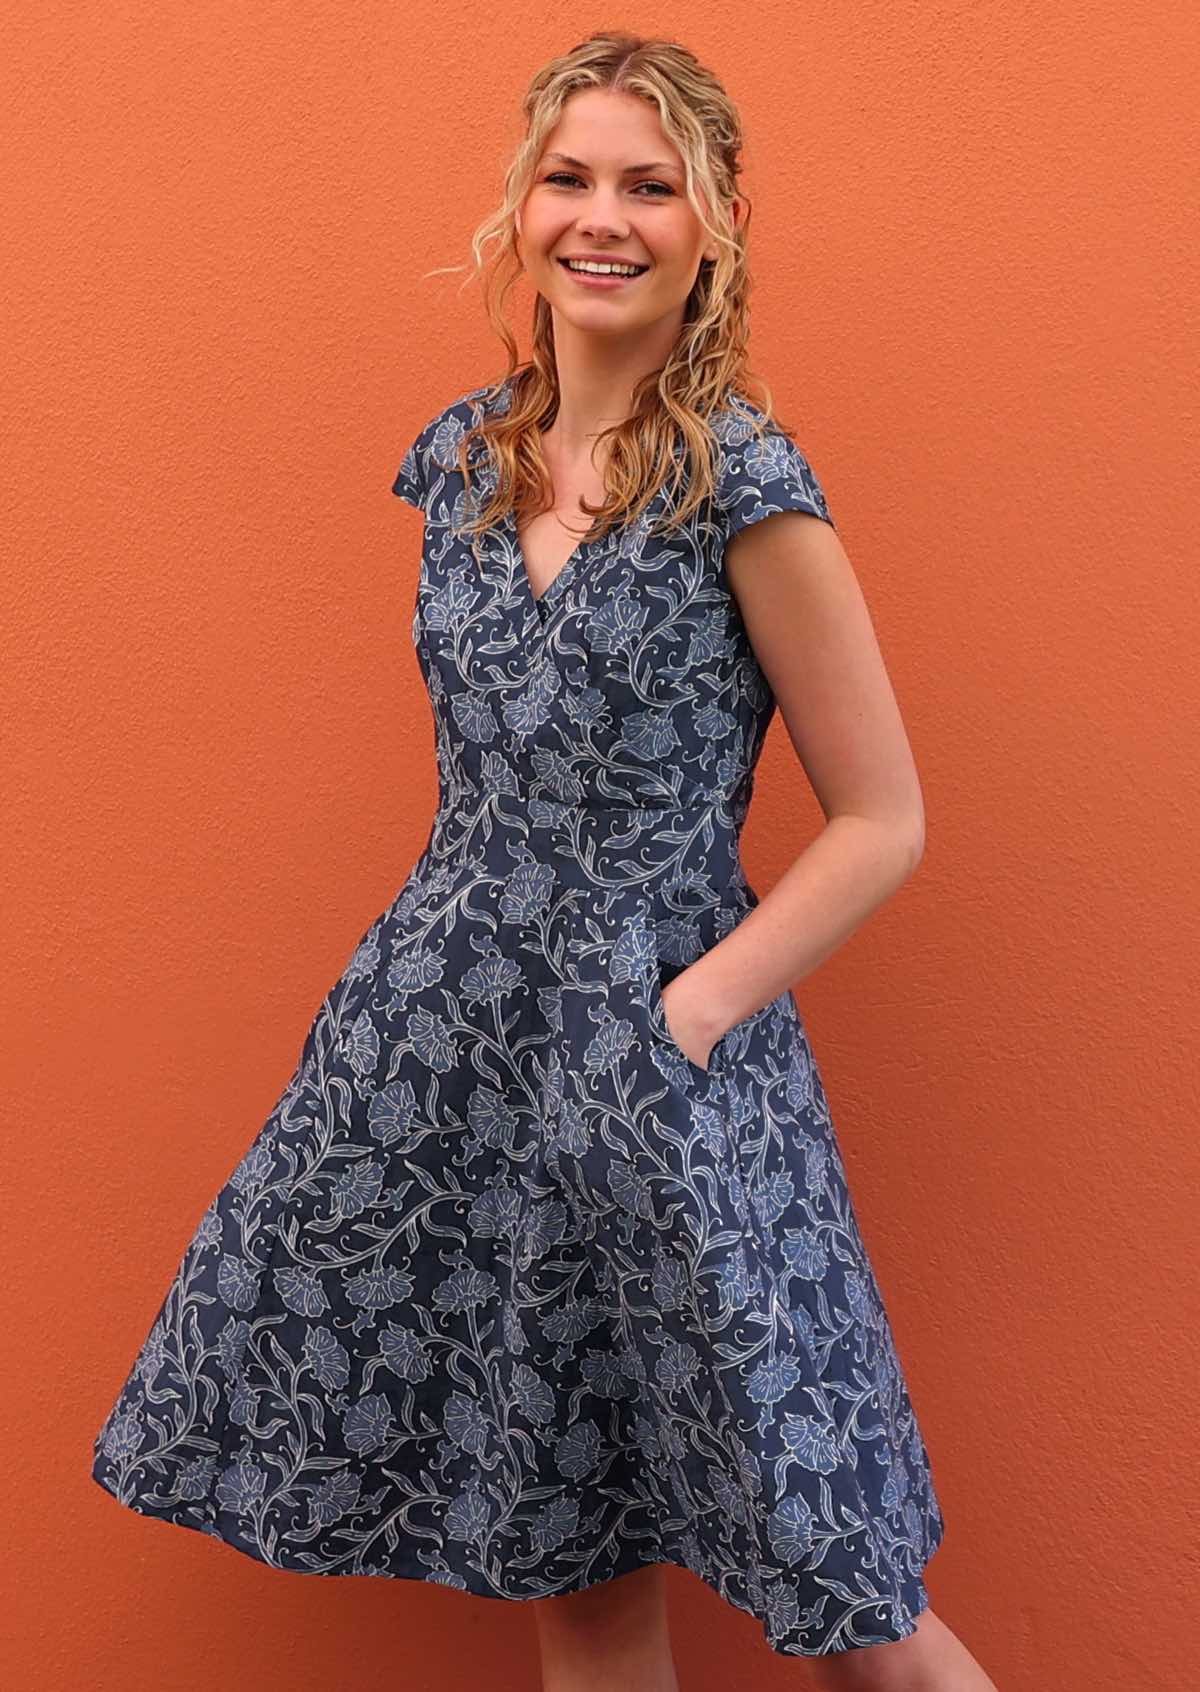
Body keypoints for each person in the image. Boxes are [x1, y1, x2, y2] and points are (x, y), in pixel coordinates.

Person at [92, 32, 1001, 1692]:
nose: (606, 218)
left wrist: (694, 1017)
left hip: (663, 1070)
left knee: (845, 1583)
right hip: (451, 1066)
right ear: (520, 210)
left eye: (649, 187)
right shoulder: (455, 468)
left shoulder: (749, 491)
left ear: (712, 223)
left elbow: (887, 818)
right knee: (569, 1560)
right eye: (571, 180)